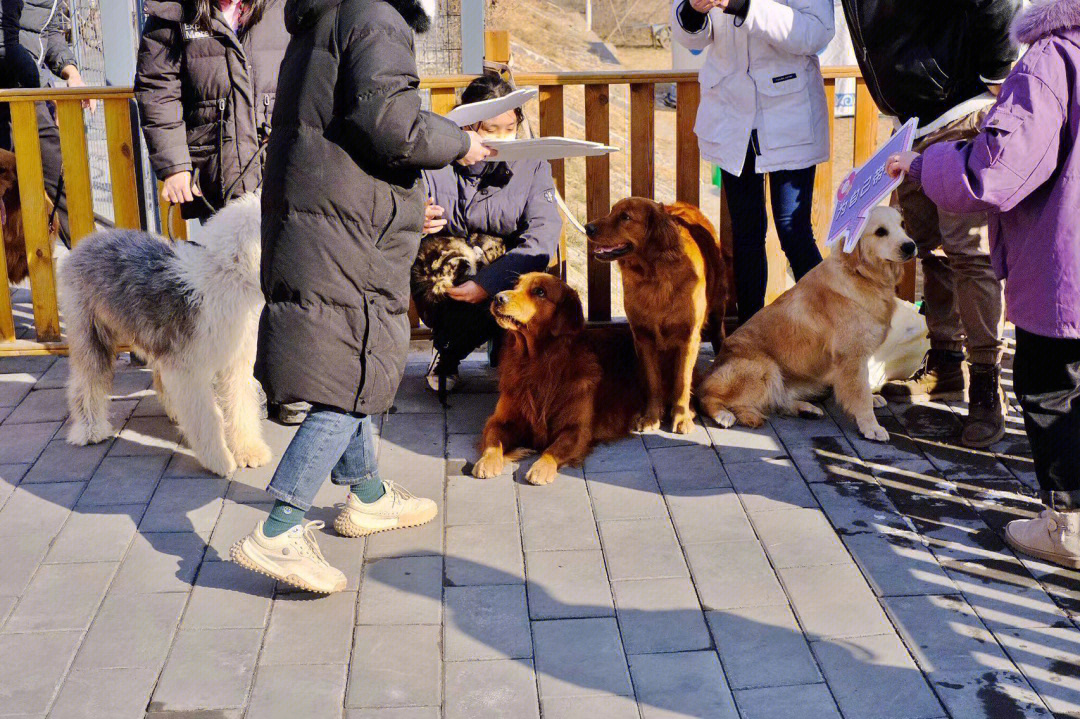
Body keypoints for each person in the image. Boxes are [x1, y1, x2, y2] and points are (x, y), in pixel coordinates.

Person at [232, 0, 491, 593]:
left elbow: (352, 129)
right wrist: (460, 143)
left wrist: (402, 201)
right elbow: (393, 126)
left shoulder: (331, 12)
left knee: (353, 356)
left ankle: (368, 495)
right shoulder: (375, 14)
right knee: (351, 372)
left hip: (328, 214)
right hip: (347, 228)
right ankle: (280, 528)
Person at [887, 0, 1080, 569]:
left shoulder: (1052, 57)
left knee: (1054, 390)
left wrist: (925, 163)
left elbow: (996, 171)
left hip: (1064, 271)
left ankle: (1067, 527)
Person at [838, 0, 1022, 448]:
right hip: (911, 126)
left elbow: (998, 2)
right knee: (926, 247)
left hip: (959, 114)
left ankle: (985, 385)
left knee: (968, 252)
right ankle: (944, 362)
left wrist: (996, 74)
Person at [134, 0, 300, 421]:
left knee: (288, 278)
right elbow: (157, 87)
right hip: (217, 170)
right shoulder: (174, 14)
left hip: (279, 165)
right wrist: (174, 165)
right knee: (227, 291)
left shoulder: (287, 7)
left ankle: (285, 382)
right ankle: (238, 388)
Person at [670, 0, 833, 325]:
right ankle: (750, 341)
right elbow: (689, 37)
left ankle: (834, 339)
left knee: (794, 230)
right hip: (731, 113)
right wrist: (694, 10)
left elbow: (817, 33)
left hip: (789, 110)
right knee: (745, 233)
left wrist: (743, 6)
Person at [420, 74, 561, 393]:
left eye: (509, 130)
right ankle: (448, 352)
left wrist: (488, 283)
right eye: (490, 130)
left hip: (506, 273)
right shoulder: (434, 161)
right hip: (448, 274)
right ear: (467, 126)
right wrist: (415, 215)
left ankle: (510, 351)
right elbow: (406, 201)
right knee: (450, 255)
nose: (502, 139)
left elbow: (543, 233)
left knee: (525, 263)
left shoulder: (533, 164)